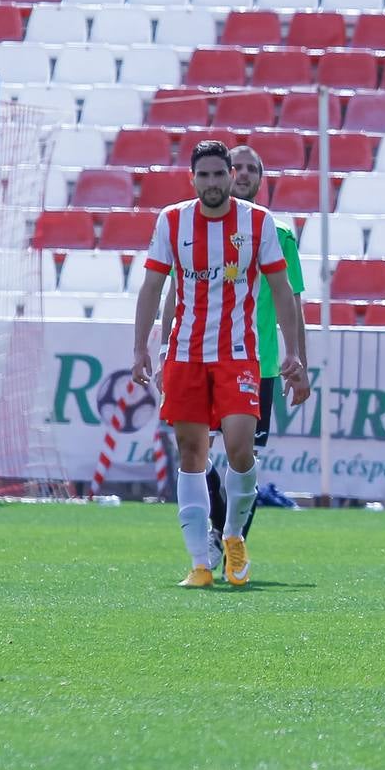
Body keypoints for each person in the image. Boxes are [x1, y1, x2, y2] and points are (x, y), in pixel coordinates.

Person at [131, 140, 310, 588]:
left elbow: (284, 291)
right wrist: (140, 349)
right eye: (204, 175)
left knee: (239, 450)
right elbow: (153, 286)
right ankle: (199, 563)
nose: (212, 183)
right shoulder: (172, 221)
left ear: (232, 176)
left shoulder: (258, 223)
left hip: (238, 355)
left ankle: (232, 535)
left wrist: (294, 353)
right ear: (193, 178)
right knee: (191, 455)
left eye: (219, 174)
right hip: (186, 355)